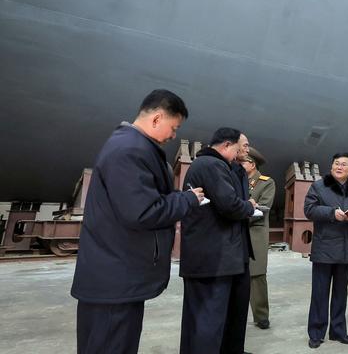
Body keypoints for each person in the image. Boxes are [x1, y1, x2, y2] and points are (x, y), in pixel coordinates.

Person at [71, 89, 204, 354]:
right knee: (112, 344)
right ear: (156, 119)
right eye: (173, 128)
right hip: (114, 280)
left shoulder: (130, 146)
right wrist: (188, 200)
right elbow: (142, 212)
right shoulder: (129, 151)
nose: (173, 136)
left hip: (116, 275)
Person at [179, 127, 257, 354]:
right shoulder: (211, 165)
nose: (241, 154)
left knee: (220, 317)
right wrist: (249, 207)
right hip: (212, 258)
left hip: (222, 255)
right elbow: (230, 204)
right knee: (207, 321)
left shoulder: (217, 165)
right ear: (226, 145)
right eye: (239, 147)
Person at [304, 152, 348, 349]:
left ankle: (338, 331)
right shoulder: (319, 186)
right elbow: (309, 209)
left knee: (341, 293)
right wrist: (332, 213)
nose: (339, 167)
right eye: (336, 164)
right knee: (320, 293)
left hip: (346, 248)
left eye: (343, 164)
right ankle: (316, 333)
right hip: (324, 248)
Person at [242, 146, 276, 330]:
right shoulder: (236, 180)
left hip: (255, 233)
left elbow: (262, 209)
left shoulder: (266, 183)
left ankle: (261, 316)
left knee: (257, 276)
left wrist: (238, 209)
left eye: (242, 162)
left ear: (252, 164)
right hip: (237, 233)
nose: (239, 164)